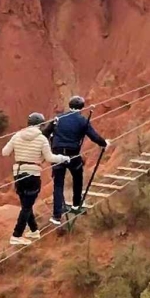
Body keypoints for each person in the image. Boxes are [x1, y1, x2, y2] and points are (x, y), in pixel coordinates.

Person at [1, 112, 68, 245]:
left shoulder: (17, 135)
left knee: (26, 204)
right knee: (27, 206)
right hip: (33, 174)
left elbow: (5, 152)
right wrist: (63, 158)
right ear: (41, 125)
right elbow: (49, 158)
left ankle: (34, 230)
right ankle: (16, 235)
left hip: (18, 173)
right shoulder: (42, 139)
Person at [43, 95, 107, 224]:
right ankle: (76, 204)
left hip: (57, 154)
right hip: (73, 155)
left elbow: (45, 133)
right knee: (78, 177)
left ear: (69, 105)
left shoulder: (58, 118)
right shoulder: (83, 121)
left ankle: (56, 216)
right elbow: (94, 137)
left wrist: (51, 137)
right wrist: (104, 143)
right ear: (82, 107)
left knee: (58, 184)